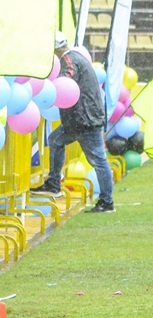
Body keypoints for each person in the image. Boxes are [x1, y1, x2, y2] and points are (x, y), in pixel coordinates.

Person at [32, 31, 115, 213]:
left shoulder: (69, 60)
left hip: (84, 120)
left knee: (98, 160)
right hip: (79, 119)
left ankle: (107, 202)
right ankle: (53, 183)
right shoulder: (75, 58)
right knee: (55, 140)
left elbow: (66, 80)